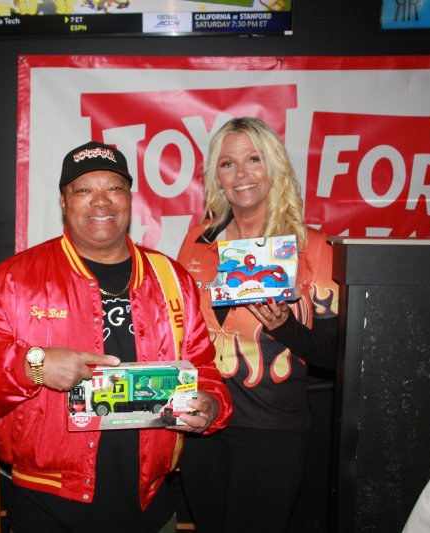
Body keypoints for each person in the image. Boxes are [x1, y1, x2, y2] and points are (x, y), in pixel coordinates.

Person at [0, 141, 232, 532]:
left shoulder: (171, 277)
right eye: (83, 189)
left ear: (129, 198)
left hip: (150, 504)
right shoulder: (14, 279)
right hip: (48, 508)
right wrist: (34, 366)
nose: (101, 201)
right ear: (64, 201)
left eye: (113, 187)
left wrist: (211, 407)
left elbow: (204, 369)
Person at [175, 117, 340, 533]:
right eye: (227, 164)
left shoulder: (313, 247)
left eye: (254, 159)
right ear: (216, 176)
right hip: (204, 423)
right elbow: (180, 332)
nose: (241, 174)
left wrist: (285, 326)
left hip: (271, 430)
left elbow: (333, 355)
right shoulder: (198, 240)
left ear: (275, 167)